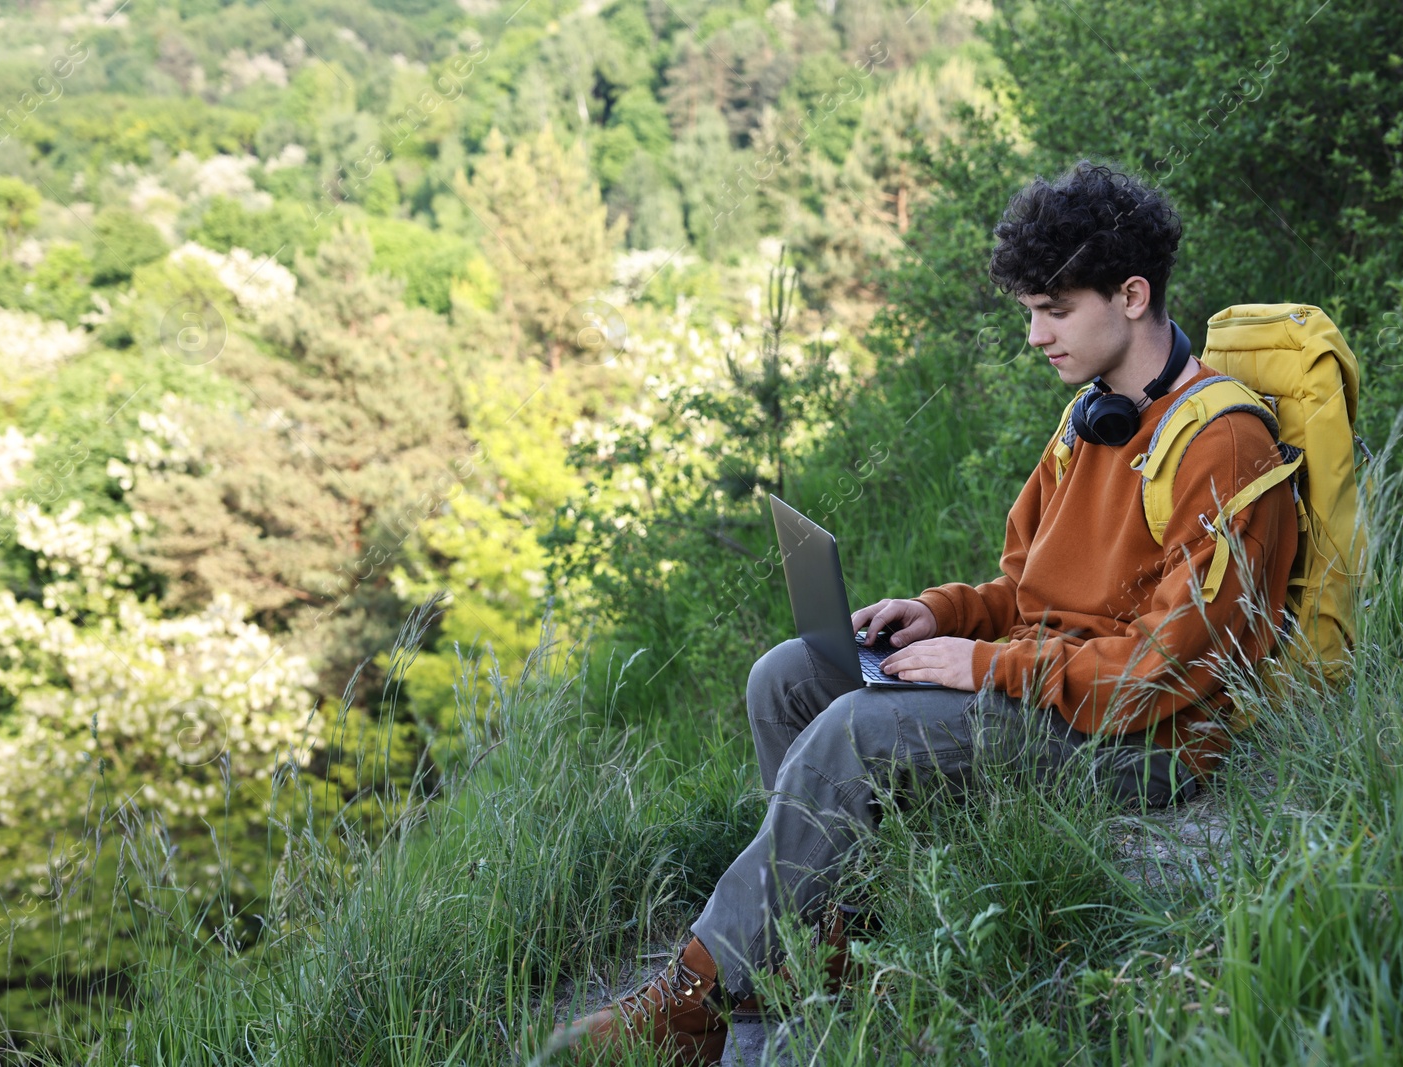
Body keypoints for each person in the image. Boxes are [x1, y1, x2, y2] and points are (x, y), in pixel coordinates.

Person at [550, 161, 1300, 1064]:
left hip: (1143, 743)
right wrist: (940, 615)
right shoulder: (1091, 419)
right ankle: (827, 939)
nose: (1035, 335)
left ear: (1132, 295)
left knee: (855, 733)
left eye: (1054, 311)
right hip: (1054, 688)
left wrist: (988, 666)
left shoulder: (1221, 443)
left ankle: (697, 1001)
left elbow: (1165, 672)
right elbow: (1026, 595)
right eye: (1029, 311)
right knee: (787, 676)